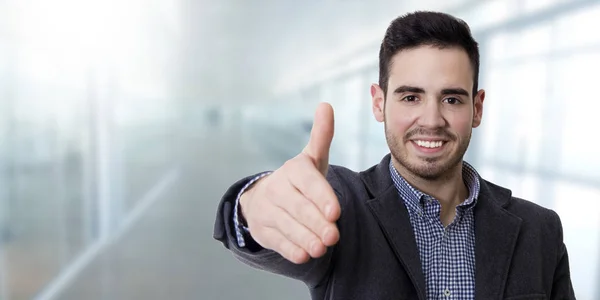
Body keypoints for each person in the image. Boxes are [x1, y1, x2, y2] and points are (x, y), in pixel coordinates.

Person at [213, 11, 575, 300]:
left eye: (451, 99)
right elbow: (262, 228)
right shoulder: (340, 206)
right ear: (378, 102)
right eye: (410, 97)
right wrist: (253, 206)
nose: (431, 121)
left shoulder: (539, 230)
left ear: (477, 108)